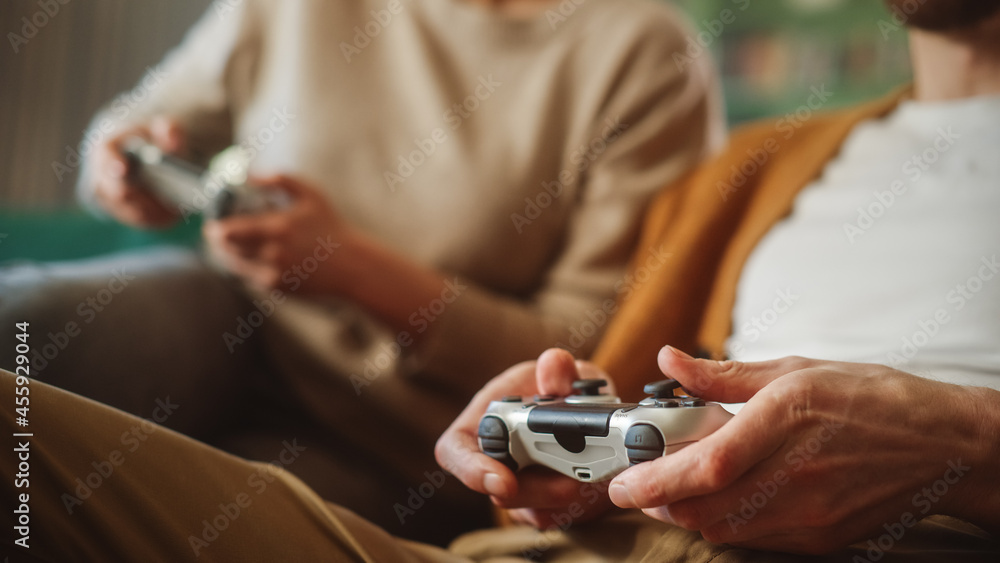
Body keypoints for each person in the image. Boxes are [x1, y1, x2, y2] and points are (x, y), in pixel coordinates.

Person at [3, 0, 999, 561]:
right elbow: (617, 375)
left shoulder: (635, 51)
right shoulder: (763, 164)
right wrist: (564, 450)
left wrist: (965, 446)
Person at [0, 0, 722, 544]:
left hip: (407, 443)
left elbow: (589, 353)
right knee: (38, 323)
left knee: (182, 514)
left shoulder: (642, 56)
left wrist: (348, 266)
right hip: (228, 319)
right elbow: (133, 124)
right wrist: (119, 163)